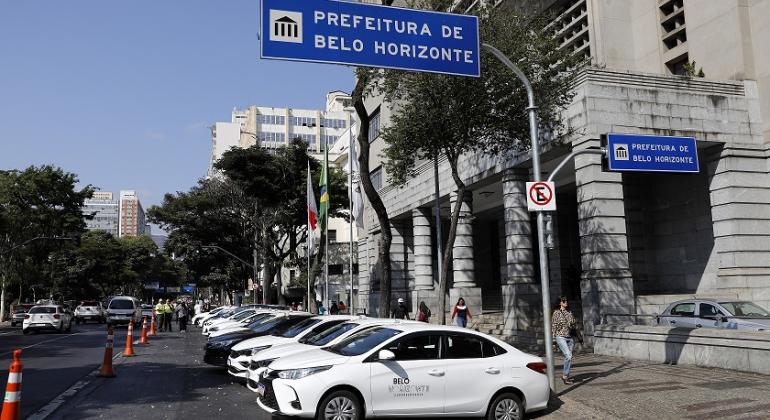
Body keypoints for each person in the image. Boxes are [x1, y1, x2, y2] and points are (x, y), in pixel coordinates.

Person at [552, 296, 576, 385]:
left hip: (570, 338)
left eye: (566, 300)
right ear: (560, 303)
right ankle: (565, 376)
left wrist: (572, 323)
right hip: (560, 337)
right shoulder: (556, 313)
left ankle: (565, 376)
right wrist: (553, 340)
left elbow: (573, 324)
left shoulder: (569, 312)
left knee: (568, 357)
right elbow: (554, 327)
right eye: (564, 301)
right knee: (568, 356)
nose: (566, 302)